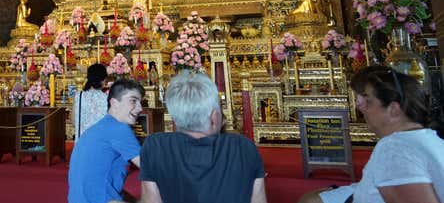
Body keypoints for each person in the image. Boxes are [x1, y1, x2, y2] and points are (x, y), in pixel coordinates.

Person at [298, 65, 444, 203]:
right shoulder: (431, 138)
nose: (361, 107)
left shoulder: (395, 148)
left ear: (393, 109)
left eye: (368, 101)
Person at [140, 71, 267, 203]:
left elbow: (151, 200)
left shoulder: (155, 146)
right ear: (214, 118)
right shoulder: (243, 147)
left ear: (174, 119)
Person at [68, 79, 145, 203]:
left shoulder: (100, 126)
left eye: (141, 102)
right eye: (133, 101)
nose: (140, 108)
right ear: (114, 103)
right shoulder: (119, 129)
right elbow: (150, 167)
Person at [73, 64, 109, 143]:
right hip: (99, 144)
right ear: (103, 80)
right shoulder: (106, 99)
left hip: (81, 145)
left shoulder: (78, 96)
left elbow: (73, 121)